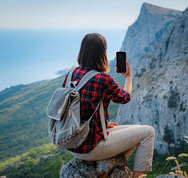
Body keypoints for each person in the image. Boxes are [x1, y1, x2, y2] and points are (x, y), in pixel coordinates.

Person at [63, 33, 155, 178]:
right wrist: (129, 78)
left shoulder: (71, 74)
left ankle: (117, 168)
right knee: (148, 132)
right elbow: (125, 97)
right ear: (102, 54)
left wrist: (102, 124)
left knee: (130, 129)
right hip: (91, 148)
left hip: (71, 142)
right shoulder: (103, 79)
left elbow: (80, 108)